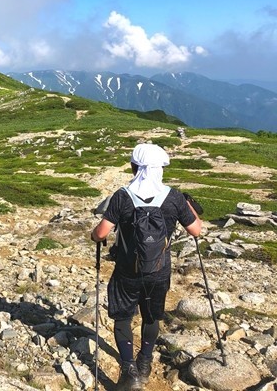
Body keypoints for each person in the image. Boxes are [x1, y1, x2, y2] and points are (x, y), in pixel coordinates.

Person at [90, 143, 201, 391]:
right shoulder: (173, 197)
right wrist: (188, 205)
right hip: (159, 271)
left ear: (134, 168)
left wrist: (94, 235)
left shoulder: (122, 196)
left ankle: (129, 370)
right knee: (151, 316)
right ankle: (145, 362)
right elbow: (195, 230)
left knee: (123, 317)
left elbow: (101, 233)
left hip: (127, 271)